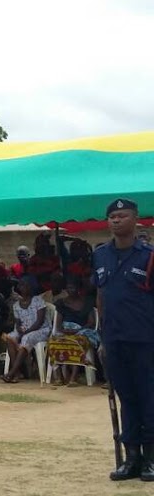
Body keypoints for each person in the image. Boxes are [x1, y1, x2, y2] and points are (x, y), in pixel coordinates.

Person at [94, 199, 154, 481]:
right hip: (115, 339)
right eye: (112, 217)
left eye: (122, 215)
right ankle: (131, 458)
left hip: (145, 339)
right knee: (126, 398)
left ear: (135, 219)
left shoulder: (148, 256)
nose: (116, 220)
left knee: (149, 398)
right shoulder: (101, 255)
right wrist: (103, 339)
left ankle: (150, 459)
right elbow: (102, 296)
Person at [47, 279, 99, 387]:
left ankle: (73, 377)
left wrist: (77, 330)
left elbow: (91, 322)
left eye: (73, 288)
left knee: (76, 342)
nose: (71, 290)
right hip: (65, 330)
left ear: (79, 289)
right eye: (69, 288)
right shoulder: (61, 303)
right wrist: (66, 330)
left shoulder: (87, 303)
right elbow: (58, 325)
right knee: (53, 342)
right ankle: (59, 376)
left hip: (82, 331)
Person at [0, 277, 51, 384]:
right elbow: (18, 323)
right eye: (21, 285)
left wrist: (26, 332)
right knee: (10, 338)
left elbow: (39, 322)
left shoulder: (38, 301)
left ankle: (11, 373)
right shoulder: (16, 305)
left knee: (26, 338)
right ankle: (17, 372)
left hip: (41, 330)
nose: (22, 287)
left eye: (25, 285)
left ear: (30, 287)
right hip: (24, 331)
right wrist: (19, 330)